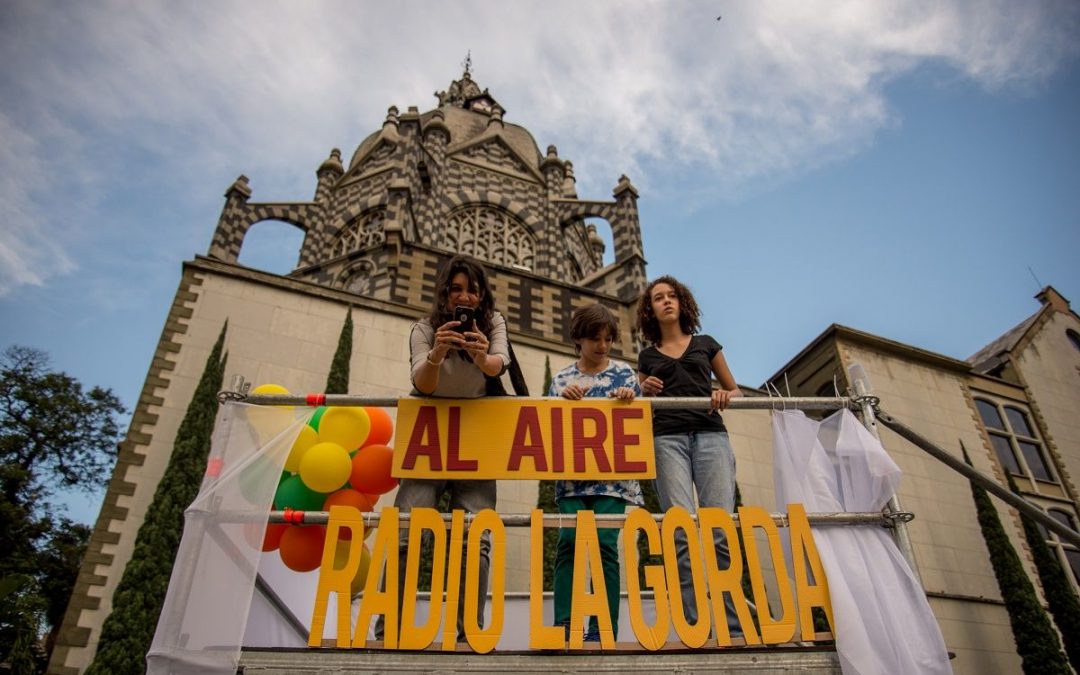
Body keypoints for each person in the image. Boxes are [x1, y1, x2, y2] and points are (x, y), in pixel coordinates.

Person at [375, 254, 510, 645]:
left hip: (477, 436)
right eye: (456, 289)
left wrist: (481, 354)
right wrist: (437, 352)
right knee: (407, 530)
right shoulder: (423, 328)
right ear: (445, 294)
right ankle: (389, 630)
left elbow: (498, 366)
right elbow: (424, 381)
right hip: (430, 435)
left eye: (471, 289)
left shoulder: (494, 322)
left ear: (482, 294)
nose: (464, 297)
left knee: (476, 533)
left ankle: (469, 633)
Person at [636, 275, 743, 636]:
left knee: (719, 530)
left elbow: (736, 390)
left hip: (711, 436)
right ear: (649, 310)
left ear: (682, 303)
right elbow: (639, 403)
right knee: (680, 531)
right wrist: (644, 389)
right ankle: (694, 625)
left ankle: (731, 625)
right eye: (657, 298)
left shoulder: (706, 344)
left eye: (671, 296)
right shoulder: (646, 356)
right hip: (667, 440)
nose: (665, 301)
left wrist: (725, 396)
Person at [548, 303, 642, 643]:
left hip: (613, 481)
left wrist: (628, 397)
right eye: (594, 339)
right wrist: (562, 401)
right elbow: (547, 424)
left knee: (604, 545)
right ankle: (565, 625)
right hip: (572, 480)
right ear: (578, 339)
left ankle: (604, 628)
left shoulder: (626, 374)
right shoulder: (561, 378)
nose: (602, 346)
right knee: (569, 543)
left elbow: (642, 420)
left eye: (608, 339)